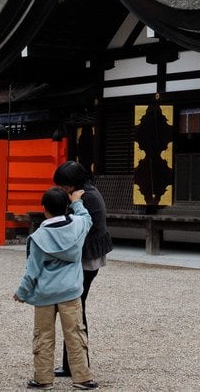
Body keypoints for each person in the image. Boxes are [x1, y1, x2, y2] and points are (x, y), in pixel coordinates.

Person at [13, 186, 98, 390]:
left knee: (43, 335)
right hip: (70, 291)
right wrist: (77, 201)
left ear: (44, 209)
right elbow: (87, 217)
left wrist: (22, 292)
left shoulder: (39, 237)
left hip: (45, 293)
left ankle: (43, 378)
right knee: (75, 334)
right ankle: (82, 377)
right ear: (66, 207)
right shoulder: (78, 225)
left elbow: (32, 270)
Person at [52, 161, 114, 379]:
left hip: (85, 259)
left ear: (72, 184)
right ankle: (74, 363)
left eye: (62, 185)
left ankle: (76, 364)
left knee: (75, 311)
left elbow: (76, 230)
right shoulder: (85, 192)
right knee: (76, 309)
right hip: (86, 256)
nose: (61, 189)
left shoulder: (86, 198)